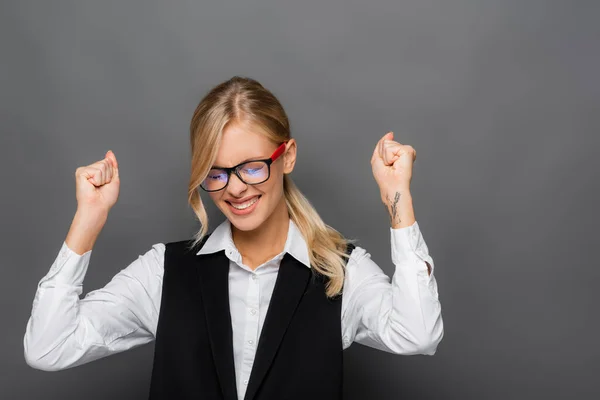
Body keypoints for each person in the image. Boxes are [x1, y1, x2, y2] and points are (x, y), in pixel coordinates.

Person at [23, 76, 443, 400]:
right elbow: (48, 348)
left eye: (253, 166)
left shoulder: (339, 272)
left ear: (288, 156)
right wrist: (89, 219)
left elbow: (418, 334)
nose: (235, 188)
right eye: (216, 172)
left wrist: (397, 198)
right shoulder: (163, 272)